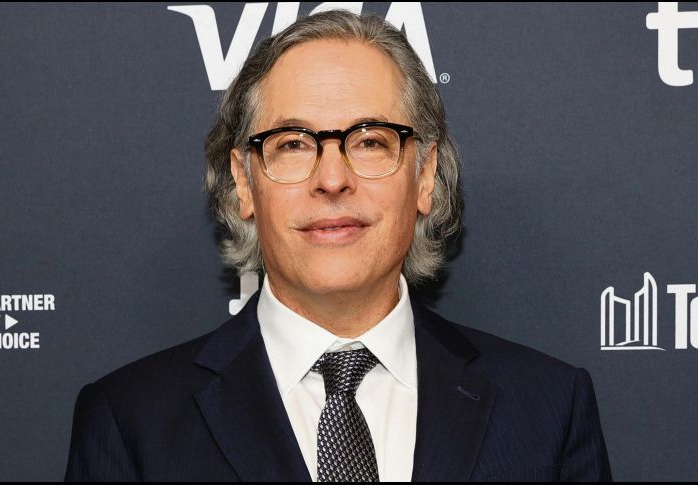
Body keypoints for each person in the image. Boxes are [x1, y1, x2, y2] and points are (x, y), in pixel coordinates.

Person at [64, 9, 612, 482]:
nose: (331, 179)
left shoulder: (547, 408)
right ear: (243, 182)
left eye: (370, 141)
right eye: (294, 144)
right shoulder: (130, 422)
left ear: (425, 176)